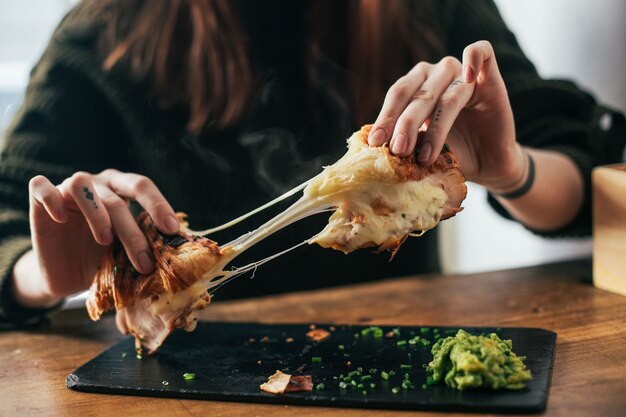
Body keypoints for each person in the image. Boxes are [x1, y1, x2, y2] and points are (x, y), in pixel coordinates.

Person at [1, 0, 624, 328]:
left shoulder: (431, 5)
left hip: (403, 366)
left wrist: (513, 171)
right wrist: (42, 275)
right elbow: (10, 212)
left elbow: (589, 171)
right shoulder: (105, 31)